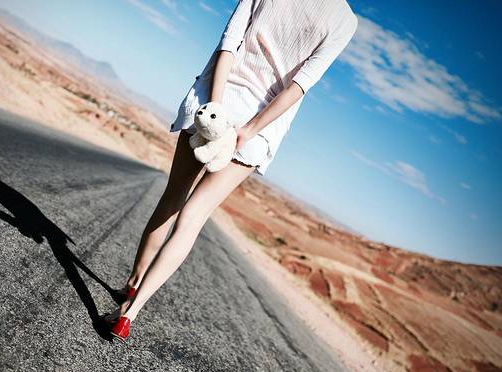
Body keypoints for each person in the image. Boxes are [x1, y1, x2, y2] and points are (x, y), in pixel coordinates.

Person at [106, 0, 358, 341]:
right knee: (193, 218)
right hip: (258, 131)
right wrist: (249, 130)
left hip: (215, 103)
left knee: (173, 198)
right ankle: (129, 314)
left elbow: (230, 41)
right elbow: (300, 85)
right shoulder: (344, 21)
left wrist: (217, 108)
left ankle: (133, 285)